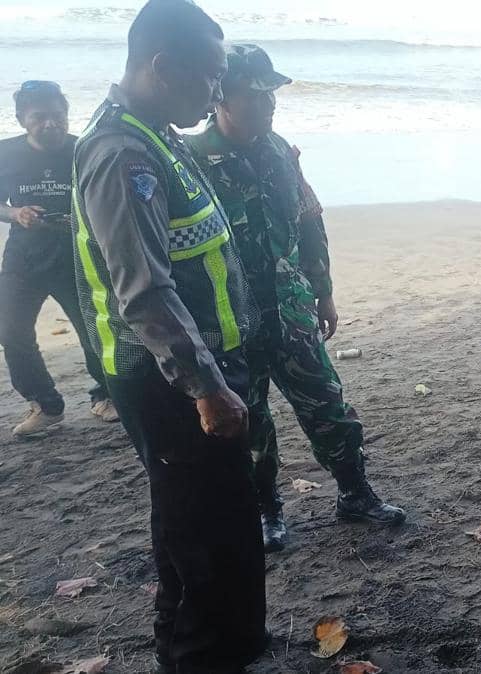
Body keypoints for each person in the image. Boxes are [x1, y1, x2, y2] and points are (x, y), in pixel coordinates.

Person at [72, 2, 267, 671]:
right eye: (210, 76)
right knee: (203, 536)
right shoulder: (123, 154)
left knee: (211, 525)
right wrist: (207, 387)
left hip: (195, 369)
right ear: (163, 66)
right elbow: (145, 293)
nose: (218, 90)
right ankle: (199, 657)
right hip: (171, 380)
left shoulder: (157, 131)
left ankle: (220, 649)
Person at [186, 44, 405, 553]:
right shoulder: (192, 161)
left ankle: (355, 494)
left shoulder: (280, 151)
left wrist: (323, 293)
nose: (268, 106)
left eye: (272, 96)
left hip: (290, 309)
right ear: (222, 97)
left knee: (330, 407)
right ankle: (267, 512)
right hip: (232, 321)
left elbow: (309, 222)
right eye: (256, 95)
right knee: (251, 425)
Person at [0, 81, 119, 436]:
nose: (50, 124)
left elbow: (108, 199)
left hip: (76, 255)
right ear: (22, 119)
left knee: (94, 331)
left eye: (57, 116)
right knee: (11, 331)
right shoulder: (6, 153)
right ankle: (46, 405)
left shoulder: (83, 149)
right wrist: (17, 212)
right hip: (23, 258)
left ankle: (106, 396)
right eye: (39, 118)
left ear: (66, 115)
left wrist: (82, 218)